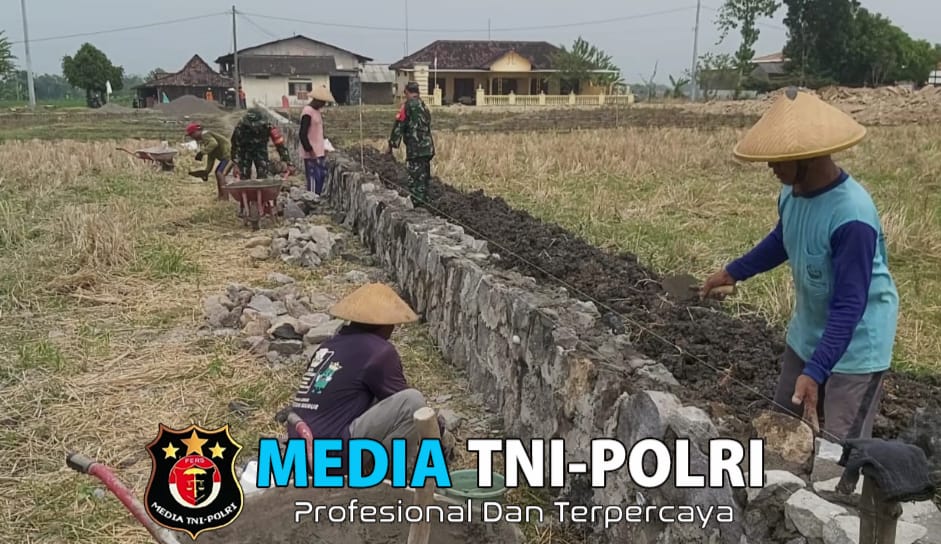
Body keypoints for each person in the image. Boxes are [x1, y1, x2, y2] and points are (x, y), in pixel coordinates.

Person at [700, 88, 898, 441]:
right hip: (808, 332)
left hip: (856, 348)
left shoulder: (852, 217)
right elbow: (784, 239)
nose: (771, 167)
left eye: (780, 159)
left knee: (838, 455)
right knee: (783, 431)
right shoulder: (792, 193)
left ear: (809, 157)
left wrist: (818, 370)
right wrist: (734, 271)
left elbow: (850, 305)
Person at [288, 283, 450, 473]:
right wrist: (435, 429)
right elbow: (410, 408)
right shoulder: (378, 351)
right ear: (384, 325)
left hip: (300, 450)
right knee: (412, 402)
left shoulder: (328, 346)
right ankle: (384, 479)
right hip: (330, 456)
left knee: (376, 396)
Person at [387, 81, 435, 207]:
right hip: (427, 148)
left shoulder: (407, 106)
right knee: (424, 177)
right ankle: (425, 202)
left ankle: (417, 204)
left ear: (407, 92)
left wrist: (392, 144)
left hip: (415, 149)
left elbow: (399, 125)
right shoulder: (424, 107)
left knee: (414, 178)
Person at [230, 107, 293, 180]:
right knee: (243, 175)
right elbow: (235, 146)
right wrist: (236, 164)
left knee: (263, 174)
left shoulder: (268, 126)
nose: (254, 128)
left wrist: (288, 162)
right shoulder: (240, 127)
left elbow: (280, 144)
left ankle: (262, 189)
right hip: (244, 151)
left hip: (260, 150)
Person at [299, 85, 335, 196]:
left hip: (318, 152)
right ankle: (312, 200)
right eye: (322, 102)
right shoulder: (307, 112)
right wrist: (310, 150)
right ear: (317, 100)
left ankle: (316, 199)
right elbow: (302, 134)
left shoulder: (316, 111)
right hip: (311, 154)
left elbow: (317, 133)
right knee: (313, 179)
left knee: (320, 177)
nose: (323, 105)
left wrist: (323, 147)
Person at [185, 122, 233, 200]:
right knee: (218, 173)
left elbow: (214, 144)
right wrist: (207, 171)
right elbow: (211, 156)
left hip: (229, 155)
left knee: (220, 173)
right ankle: (221, 196)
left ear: (197, 131)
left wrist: (202, 152)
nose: (192, 137)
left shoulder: (205, 134)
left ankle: (225, 197)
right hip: (227, 156)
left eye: (192, 134)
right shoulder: (206, 139)